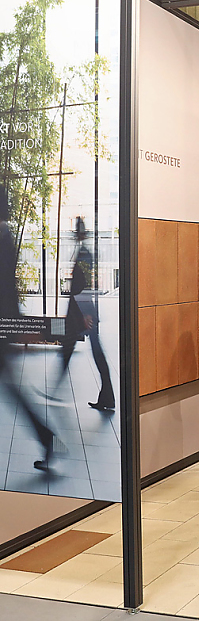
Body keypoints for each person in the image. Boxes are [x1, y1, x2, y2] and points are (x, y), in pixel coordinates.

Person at [0, 187, 59, 470]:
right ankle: (45, 437)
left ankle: (46, 437)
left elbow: (6, 289)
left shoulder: (2, 235)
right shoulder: (5, 233)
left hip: (2, 327)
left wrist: (11, 328)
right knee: (13, 390)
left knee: (13, 391)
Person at [60, 217, 115, 412]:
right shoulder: (84, 252)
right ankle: (107, 396)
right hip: (81, 311)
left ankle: (107, 395)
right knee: (71, 346)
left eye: (77, 231)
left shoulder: (84, 254)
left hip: (83, 312)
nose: (75, 234)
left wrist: (85, 314)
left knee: (94, 352)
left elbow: (84, 286)